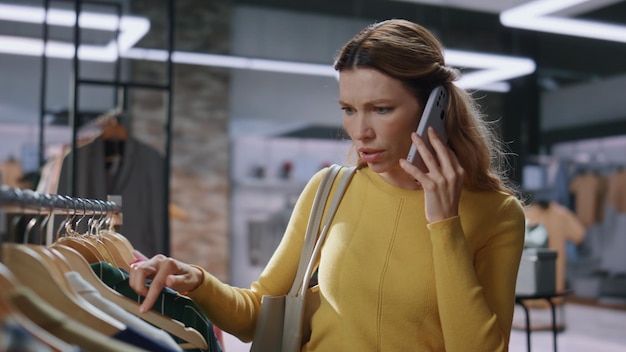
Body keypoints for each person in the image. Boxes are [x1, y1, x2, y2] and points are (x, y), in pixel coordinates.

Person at [129, 19, 525, 351]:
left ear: (434, 111)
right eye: (349, 110)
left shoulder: (497, 215)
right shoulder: (330, 189)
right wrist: (197, 281)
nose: (359, 132)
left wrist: (444, 225)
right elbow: (255, 315)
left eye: (381, 109)